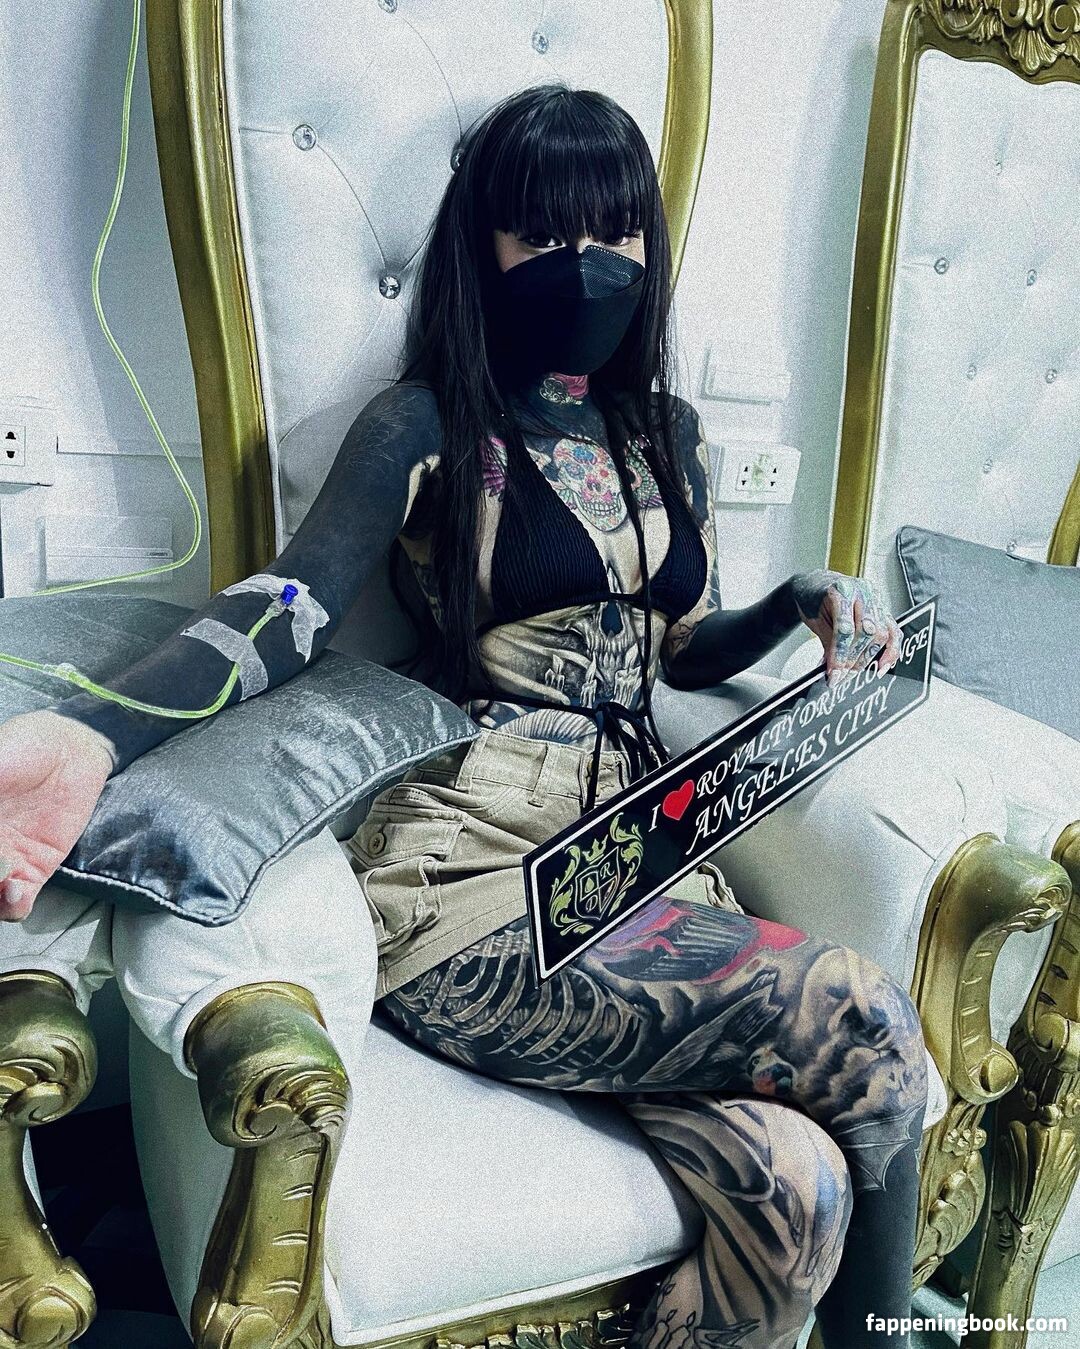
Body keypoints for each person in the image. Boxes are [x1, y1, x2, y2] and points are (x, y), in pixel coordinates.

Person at [0, 84, 926, 1349]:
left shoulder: (665, 434)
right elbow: (287, 606)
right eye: (541, 232)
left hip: (644, 863)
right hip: (482, 880)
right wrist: (95, 733)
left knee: (799, 1194)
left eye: (615, 229)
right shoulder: (427, 422)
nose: (586, 262)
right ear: (481, 246)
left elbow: (680, 640)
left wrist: (795, 603)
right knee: (862, 1015)